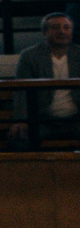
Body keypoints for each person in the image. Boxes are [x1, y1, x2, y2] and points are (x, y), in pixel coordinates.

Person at [10, 11, 80, 148]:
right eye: (55, 28)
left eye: (66, 28)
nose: (62, 32)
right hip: (42, 119)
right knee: (19, 138)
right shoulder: (30, 56)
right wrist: (20, 121)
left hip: (77, 118)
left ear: (72, 31)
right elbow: (21, 91)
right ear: (44, 32)